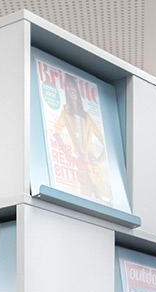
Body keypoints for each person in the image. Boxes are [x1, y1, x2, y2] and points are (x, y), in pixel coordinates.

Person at [47, 72, 110, 203]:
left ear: (76, 88)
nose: (71, 90)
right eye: (68, 87)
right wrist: (67, 154)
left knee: (103, 207)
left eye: (73, 86)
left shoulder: (86, 117)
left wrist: (100, 159)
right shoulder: (65, 112)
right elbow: (56, 132)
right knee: (81, 205)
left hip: (95, 171)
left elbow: (105, 140)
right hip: (82, 170)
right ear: (66, 91)